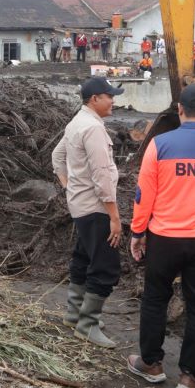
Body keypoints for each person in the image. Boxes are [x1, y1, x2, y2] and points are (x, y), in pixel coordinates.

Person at [127, 85, 195, 388]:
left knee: (156, 299)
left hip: (165, 238)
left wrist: (138, 232)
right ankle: (190, 376)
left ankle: (151, 364)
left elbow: (144, 195)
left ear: (179, 110)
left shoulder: (159, 145)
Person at [52, 77, 124, 348]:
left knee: (83, 258)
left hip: (80, 205)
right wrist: (114, 216)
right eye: (109, 96)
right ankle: (87, 324)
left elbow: (57, 157)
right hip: (96, 208)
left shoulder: (76, 123)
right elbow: (102, 175)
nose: (113, 101)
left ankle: (74, 313)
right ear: (95, 99)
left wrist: (70, 186)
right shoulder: (92, 128)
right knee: (105, 266)